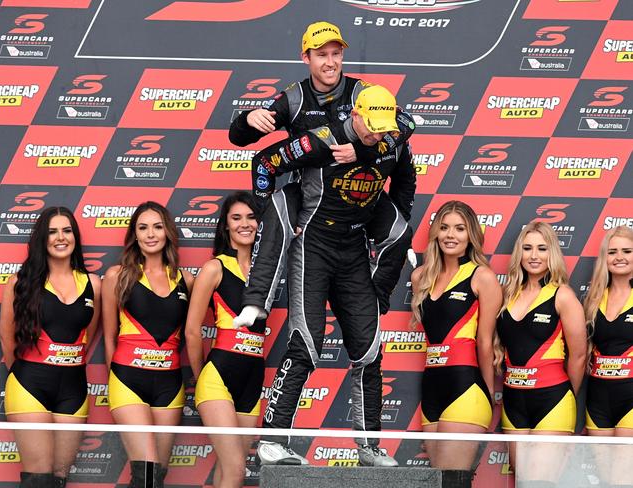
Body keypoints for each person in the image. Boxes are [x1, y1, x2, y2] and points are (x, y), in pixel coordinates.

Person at [247, 85, 414, 467]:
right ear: (354, 115)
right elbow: (264, 163)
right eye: (371, 127)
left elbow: (405, 178)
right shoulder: (321, 140)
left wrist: (389, 215)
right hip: (314, 245)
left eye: (384, 128)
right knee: (307, 342)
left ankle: (370, 447)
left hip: (354, 251)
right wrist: (272, 213)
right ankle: (273, 439)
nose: (379, 134)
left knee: (369, 350)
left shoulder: (394, 138)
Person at [229, 21, 415, 321]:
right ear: (306, 57)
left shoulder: (363, 93)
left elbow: (406, 124)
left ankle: (375, 303)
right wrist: (248, 119)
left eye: (336, 54)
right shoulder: (292, 98)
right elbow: (242, 143)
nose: (330, 62)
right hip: (311, 194)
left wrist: (364, 151)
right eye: (321, 55)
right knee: (277, 208)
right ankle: (256, 303)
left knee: (401, 233)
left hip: (362, 186)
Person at [0, 207, 101, 488]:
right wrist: (24, 375)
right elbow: (7, 338)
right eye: (53, 231)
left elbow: (88, 334)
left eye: (67, 231)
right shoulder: (20, 282)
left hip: (74, 389)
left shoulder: (93, 283)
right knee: (38, 478)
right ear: (42, 238)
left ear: (75, 237)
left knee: (58, 478)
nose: (60, 238)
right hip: (30, 385)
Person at [410, 200, 501, 488]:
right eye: (445, 227)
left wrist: (486, 394)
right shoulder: (420, 277)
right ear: (436, 233)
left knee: (453, 483)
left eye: (460, 229)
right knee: (438, 483)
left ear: (471, 234)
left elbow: (485, 343)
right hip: (432, 388)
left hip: (466, 388)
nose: (451, 235)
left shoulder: (482, 277)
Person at [102, 202, 193, 488]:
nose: (150, 234)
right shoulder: (118, 275)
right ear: (134, 235)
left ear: (167, 231)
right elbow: (108, 336)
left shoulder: (186, 280)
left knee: (156, 477)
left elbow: (189, 334)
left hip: (169, 384)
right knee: (147, 473)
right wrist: (115, 378)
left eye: (157, 226)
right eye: (143, 227)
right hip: (128, 380)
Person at [495, 221, 587, 486]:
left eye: (542, 248)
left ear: (552, 253)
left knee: (540, 483)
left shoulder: (563, 296)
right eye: (527, 248)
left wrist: (563, 395)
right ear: (519, 253)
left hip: (552, 400)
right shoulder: (507, 295)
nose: (534, 256)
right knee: (522, 481)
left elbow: (579, 356)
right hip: (513, 402)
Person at [185, 191, 263, 488]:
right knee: (235, 473)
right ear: (226, 226)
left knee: (228, 471)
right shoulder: (214, 268)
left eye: (252, 217)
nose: (245, 224)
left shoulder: (264, 272)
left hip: (252, 377)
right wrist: (200, 377)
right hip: (218, 376)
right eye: (236, 218)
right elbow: (193, 331)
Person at [583, 226, 633, 487]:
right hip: (598, 402)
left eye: (627, 251)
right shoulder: (593, 298)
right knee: (605, 482)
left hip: (631, 399)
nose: (619, 257)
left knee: (622, 481)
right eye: (612, 252)